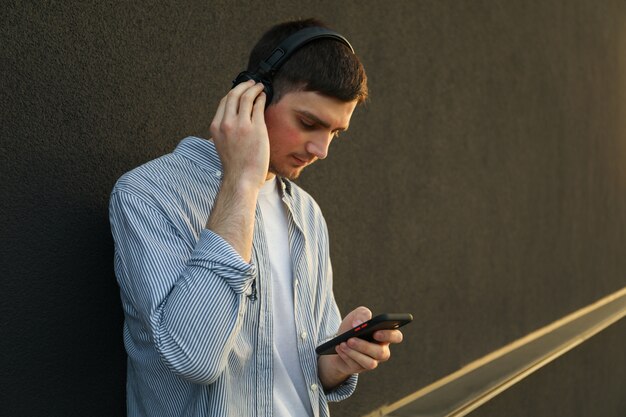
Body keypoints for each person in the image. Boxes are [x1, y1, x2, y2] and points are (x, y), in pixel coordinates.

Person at [109, 18, 404, 417]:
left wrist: (335, 365)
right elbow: (194, 357)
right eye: (309, 123)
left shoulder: (306, 214)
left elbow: (298, 367)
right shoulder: (148, 195)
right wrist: (243, 183)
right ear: (252, 98)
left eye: (336, 133)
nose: (321, 149)